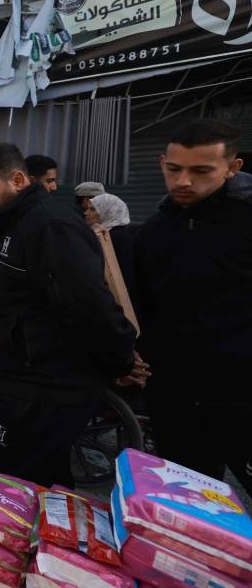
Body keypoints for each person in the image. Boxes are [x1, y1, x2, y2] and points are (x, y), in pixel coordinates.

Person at [0, 143, 142, 487]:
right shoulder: (14, 219)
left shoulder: (49, 227)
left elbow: (89, 305)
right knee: (36, 481)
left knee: (9, 484)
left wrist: (120, 360)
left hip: (46, 388)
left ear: (17, 179)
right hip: (21, 378)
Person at [133, 119, 252, 496]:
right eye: (174, 169)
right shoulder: (154, 231)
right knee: (191, 506)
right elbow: (140, 307)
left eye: (201, 171)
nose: (184, 181)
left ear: (233, 168)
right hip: (174, 397)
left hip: (241, 393)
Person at [84, 193, 135, 296]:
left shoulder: (116, 237)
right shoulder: (105, 234)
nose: (86, 213)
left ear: (107, 212)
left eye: (92, 209)